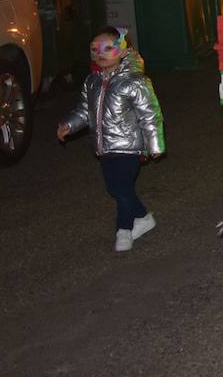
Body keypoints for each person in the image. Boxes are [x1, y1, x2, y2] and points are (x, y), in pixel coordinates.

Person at [56, 27, 164, 252]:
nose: (100, 53)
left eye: (107, 48)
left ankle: (123, 230)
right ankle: (143, 217)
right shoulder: (92, 82)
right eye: (95, 49)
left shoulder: (135, 82)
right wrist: (68, 124)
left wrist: (154, 144)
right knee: (116, 189)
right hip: (104, 148)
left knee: (122, 189)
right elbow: (85, 110)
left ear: (124, 51)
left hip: (130, 147)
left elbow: (150, 115)